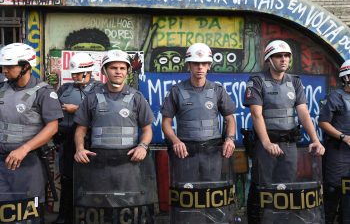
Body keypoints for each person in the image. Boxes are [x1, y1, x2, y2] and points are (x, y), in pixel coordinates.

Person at [244, 40, 325, 224]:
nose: (283, 59)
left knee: (286, 188)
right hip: (266, 146)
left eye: (286, 56)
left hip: (289, 145)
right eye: (278, 56)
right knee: (261, 188)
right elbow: (256, 114)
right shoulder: (257, 81)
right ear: (269, 59)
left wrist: (315, 139)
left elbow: (303, 112)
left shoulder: (295, 81)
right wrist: (266, 144)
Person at [73, 49, 157, 223]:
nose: (118, 71)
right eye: (113, 68)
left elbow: (148, 129)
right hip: (98, 165)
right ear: (105, 71)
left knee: (129, 207)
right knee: (101, 208)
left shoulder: (137, 97)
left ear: (127, 71)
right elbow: (81, 129)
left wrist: (142, 147)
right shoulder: (92, 98)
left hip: (129, 165)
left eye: (122, 68)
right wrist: (80, 149)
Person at [161, 43, 237, 223]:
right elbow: (166, 123)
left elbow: (230, 118)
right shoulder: (177, 90)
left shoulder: (217, 90)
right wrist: (175, 141)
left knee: (211, 194)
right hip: (186, 153)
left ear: (209, 65)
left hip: (212, 152)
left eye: (204, 63)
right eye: (195, 63)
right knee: (188, 195)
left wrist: (230, 139)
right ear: (188, 65)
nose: (200, 67)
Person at [0, 43, 63, 223]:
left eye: (9, 66)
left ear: (26, 66)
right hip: (2, 163)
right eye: (3, 66)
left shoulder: (43, 92)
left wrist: (24, 149)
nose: (4, 70)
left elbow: (52, 127)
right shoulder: (2, 88)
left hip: (29, 163)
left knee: (30, 210)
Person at [53, 52, 101, 224]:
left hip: (89, 140)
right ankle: (64, 217)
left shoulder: (99, 89)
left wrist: (77, 109)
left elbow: (102, 112)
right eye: (72, 73)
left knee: (89, 179)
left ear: (87, 71)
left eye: (77, 73)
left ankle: (87, 216)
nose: (74, 76)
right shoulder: (65, 88)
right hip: (66, 140)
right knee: (67, 178)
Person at [319, 59, 350, 224]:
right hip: (338, 151)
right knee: (334, 191)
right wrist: (343, 137)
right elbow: (323, 122)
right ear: (346, 77)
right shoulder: (335, 96)